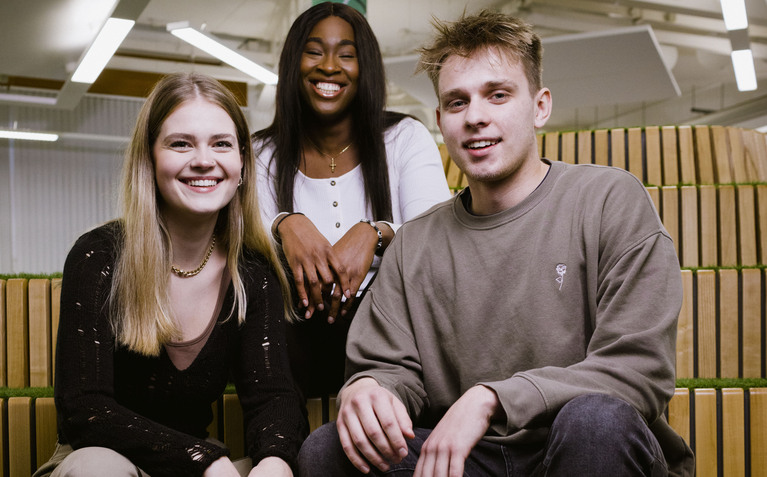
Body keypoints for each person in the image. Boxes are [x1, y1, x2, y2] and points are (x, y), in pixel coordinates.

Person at [298, 10, 695, 477]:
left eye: (498, 94)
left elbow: (637, 369)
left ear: (540, 106)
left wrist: (492, 399)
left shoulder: (610, 200)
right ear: (441, 121)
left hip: (585, 446)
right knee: (328, 451)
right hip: (471, 459)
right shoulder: (415, 243)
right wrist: (369, 390)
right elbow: (389, 367)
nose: (476, 118)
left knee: (595, 420)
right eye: (457, 102)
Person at [33, 73, 307, 477]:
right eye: (181, 143)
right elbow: (85, 412)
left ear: (242, 163)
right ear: (150, 158)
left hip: (204, 465)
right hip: (103, 458)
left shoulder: (253, 271)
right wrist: (202, 460)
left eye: (221, 144)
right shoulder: (98, 255)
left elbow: (274, 397)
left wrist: (275, 462)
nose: (203, 160)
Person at [253, 2, 450, 398]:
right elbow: (237, 234)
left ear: (368, 69)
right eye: (313, 51)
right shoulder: (261, 153)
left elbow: (438, 232)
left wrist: (377, 233)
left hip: (389, 334)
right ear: (294, 63)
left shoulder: (405, 137)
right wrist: (284, 224)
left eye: (347, 54)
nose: (329, 66)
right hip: (289, 339)